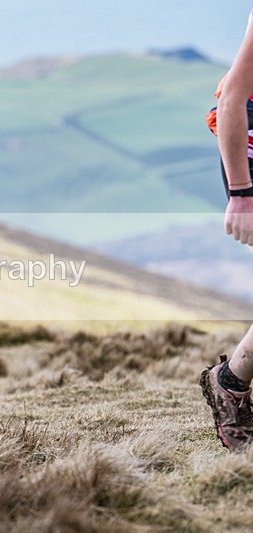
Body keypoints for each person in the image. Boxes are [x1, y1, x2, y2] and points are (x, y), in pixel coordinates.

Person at [200, 8, 253, 452]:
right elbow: (232, 98)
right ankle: (230, 384)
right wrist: (241, 194)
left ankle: (230, 379)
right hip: (248, 136)